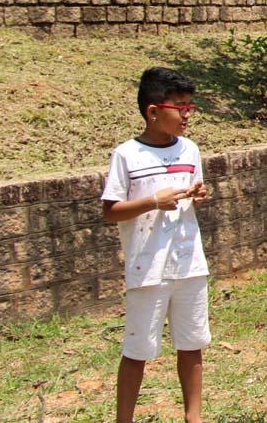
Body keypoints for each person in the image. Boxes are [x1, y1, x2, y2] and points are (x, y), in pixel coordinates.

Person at [101, 67, 210, 423]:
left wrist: (197, 194)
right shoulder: (126, 155)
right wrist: (153, 201)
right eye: (179, 107)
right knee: (138, 348)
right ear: (153, 111)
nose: (186, 115)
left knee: (192, 343)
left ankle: (193, 416)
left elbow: (192, 190)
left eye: (189, 107)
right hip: (147, 267)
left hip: (189, 262)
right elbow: (111, 211)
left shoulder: (190, 150)